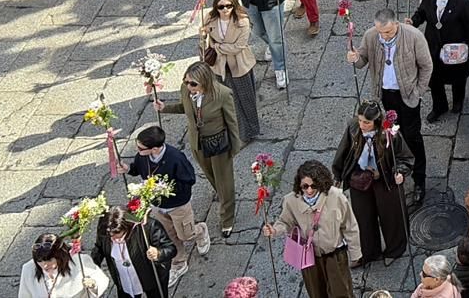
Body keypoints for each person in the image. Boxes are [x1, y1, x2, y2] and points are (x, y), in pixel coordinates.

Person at [349, 8, 432, 201]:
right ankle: (394, 168)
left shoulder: (414, 36)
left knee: (412, 136)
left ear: (396, 24)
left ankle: (420, 179)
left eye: (387, 32)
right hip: (384, 95)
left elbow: (426, 65)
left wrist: (419, 91)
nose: (384, 36)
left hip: (408, 94)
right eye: (380, 32)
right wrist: (355, 57)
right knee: (388, 134)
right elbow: (362, 60)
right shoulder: (371, 36)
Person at [154, 60, 241, 238]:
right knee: (212, 177)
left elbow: (232, 122)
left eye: (193, 83)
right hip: (198, 144)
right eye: (186, 82)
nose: (188, 86)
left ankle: (227, 218)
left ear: (205, 81)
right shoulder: (186, 91)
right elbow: (184, 108)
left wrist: (234, 146)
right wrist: (165, 108)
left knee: (224, 181)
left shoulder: (223, 94)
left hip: (218, 143)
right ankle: (225, 198)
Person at [263, 161, 362, 298]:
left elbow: (350, 226)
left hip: (335, 255)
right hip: (309, 257)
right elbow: (285, 222)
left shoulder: (336, 197)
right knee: (316, 293)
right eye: (305, 186)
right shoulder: (291, 201)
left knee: (342, 293)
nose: (309, 190)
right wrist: (274, 230)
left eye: (313, 186)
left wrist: (355, 253)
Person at [333, 100, 412, 264]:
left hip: (385, 178)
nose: (362, 125)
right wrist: (338, 175)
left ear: (375, 122)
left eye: (366, 122)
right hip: (360, 178)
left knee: (392, 216)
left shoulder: (390, 133)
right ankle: (368, 252)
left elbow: (405, 157)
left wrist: (401, 173)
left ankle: (394, 250)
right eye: (360, 120)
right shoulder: (354, 128)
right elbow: (344, 150)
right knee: (363, 218)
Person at [128, 125, 208, 286]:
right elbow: (136, 168)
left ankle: (200, 231)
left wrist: (165, 188)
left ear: (155, 148)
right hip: (157, 205)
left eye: (141, 148)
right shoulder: (142, 156)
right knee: (169, 235)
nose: (138, 150)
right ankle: (179, 262)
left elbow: (189, 179)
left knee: (185, 234)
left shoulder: (176, 158)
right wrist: (127, 169)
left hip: (178, 205)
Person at [200, 0, 260, 142]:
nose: (225, 9)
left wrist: (217, 48)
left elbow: (238, 47)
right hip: (220, 66)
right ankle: (234, 130)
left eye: (228, 6)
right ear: (216, 7)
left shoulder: (242, 21)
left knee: (246, 100)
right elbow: (204, 42)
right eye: (221, 7)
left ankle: (250, 131)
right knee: (227, 101)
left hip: (239, 65)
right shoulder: (210, 19)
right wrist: (202, 35)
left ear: (234, 5)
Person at [90, 207, 176, 298]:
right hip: (124, 281)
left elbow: (170, 249)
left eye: (117, 234)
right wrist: (90, 269)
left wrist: (158, 253)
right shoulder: (105, 232)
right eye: (109, 235)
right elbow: (99, 250)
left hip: (151, 278)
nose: (112, 238)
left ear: (126, 227)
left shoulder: (149, 227)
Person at [18, 234, 110, 298]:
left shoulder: (80, 261)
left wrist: (93, 285)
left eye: (49, 260)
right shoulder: (28, 269)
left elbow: (102, 281)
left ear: (59, 256)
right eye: (39, 261)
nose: (45, 265)